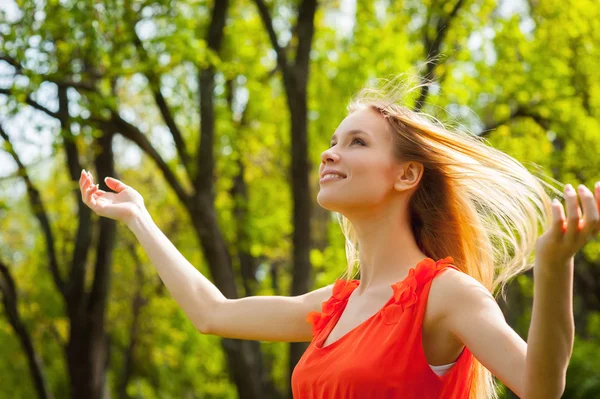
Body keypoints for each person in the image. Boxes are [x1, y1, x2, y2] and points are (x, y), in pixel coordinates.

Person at [79, 80, 598, 398]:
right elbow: (212, 313)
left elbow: (539, 386)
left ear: (406, 175)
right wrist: (138, 217)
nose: (330, 154)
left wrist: (554, 266)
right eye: (332, 142)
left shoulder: (446, 293)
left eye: (356, 142)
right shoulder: (333, 305)